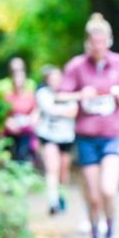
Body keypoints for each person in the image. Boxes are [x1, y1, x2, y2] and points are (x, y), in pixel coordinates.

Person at [59, 13, 119, 238]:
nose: (98, 47)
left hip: (114, 134)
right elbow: (61, 97)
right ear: (87, 43)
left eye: (102, 42)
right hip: (87, 138)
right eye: (93, 43)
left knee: (108, 190)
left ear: (109, 41)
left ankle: (111, 237)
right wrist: (82, 95)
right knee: (93, 197)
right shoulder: (76, 67)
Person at [35, 65, 78, 215]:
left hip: (67, 137)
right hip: (49, 136)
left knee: (64, 171)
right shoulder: (42, 93)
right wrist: (63, 110)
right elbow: (49, 109)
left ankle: (62, 197)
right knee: (52, 168)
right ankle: (53, 201)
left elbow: (73, 112)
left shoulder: (69, 93)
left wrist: (58, 109)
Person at [2, 57, 36, 163]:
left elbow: (35, 109)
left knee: (23, 156)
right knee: (9, 156)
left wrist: (31, 120)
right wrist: (8, 122)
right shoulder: (5, 91)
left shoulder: (30, 90)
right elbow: (2, 112)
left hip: (25, 130)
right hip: (10, 131)